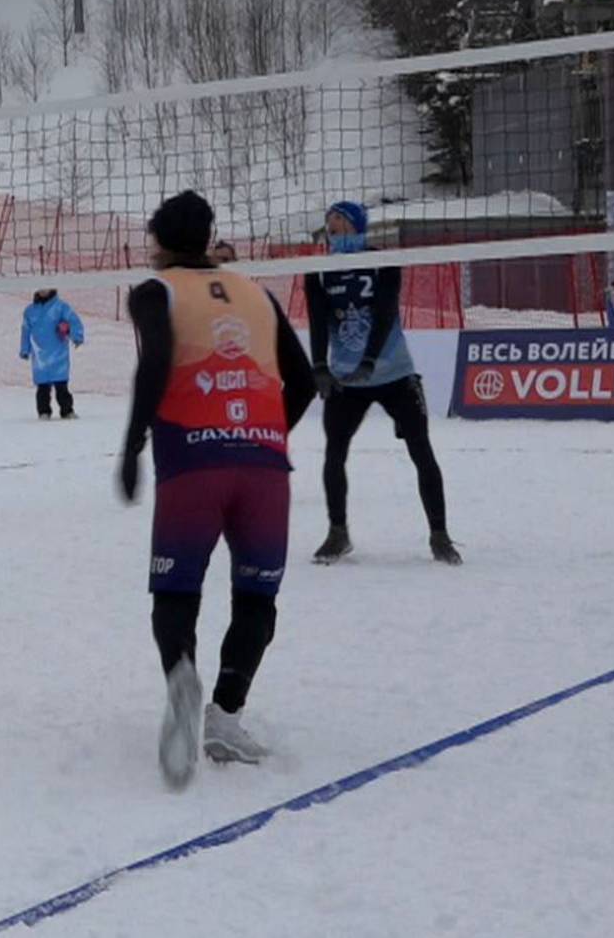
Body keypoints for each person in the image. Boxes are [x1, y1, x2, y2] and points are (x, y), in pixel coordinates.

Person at [116, 193, 317, 787]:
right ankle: (226, 715)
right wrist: (263, 434)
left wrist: (132, 447)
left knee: (176, 589)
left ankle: (182, 672)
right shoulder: (257, 291)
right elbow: (304, 381)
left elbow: (154, 364)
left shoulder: (157, 291)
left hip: (192, 460)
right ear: (208, 238)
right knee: (257, 599)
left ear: (158, 239)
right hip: (263, 465)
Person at [306, 201, 458, 566]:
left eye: (340, 220)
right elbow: (316, 319)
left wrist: (370, 361)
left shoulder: (382, 262)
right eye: (329, 222)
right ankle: (337, 533)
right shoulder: (318, 269)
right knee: (334, 452)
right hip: (347, 379)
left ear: (358, 225)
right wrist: (319, 365)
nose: (332, 226)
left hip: (393, 373)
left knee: (421, 450)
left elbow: (387, 312)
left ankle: (440, 535)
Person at [19, 287, 85, 419]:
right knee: (42, 386)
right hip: (39, 355)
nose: (43, 291)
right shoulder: (30, 311)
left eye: (46, 287)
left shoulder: (61, 307)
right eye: (40, 288)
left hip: (58, 352)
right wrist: (25, 349)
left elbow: (73, 321)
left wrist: (76, 335)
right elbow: (25, 331)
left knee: (61, 385)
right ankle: (44, 411)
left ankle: (67, 410)